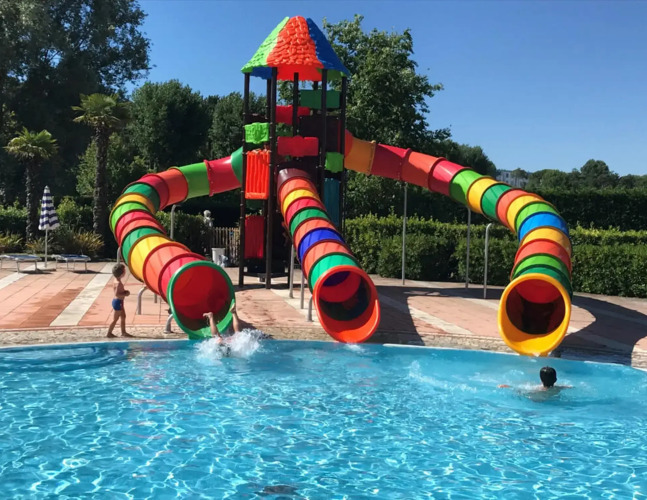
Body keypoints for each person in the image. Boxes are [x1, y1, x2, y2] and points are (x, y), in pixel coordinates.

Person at [499, 366, 572, 395]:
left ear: (541, 380)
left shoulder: (537, 389)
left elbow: (520, 390)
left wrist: (508, 386)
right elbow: (568, 387)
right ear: (555, 380)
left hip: (537, 401)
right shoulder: (558, 388)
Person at [107, 264, 134, 338]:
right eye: (124, 271)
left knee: (123, 316)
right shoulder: (118, 283)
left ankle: (123, 332)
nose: (125, 272)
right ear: (122, 273)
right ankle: (109, 333)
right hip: (118, 302)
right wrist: (125, 294)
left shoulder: (116, 280)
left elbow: (118, 291)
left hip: (119, 302)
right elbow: (117, 294)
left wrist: (124, 292)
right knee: (115, 319)